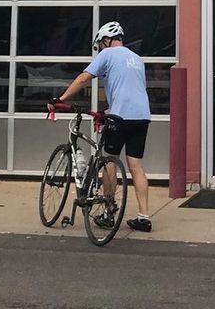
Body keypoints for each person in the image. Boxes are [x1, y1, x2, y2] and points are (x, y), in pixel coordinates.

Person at [54, 20, 153, 233]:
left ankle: (108, 213)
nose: (100, 48)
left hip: (121, 117)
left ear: (107, 40)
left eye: (100, 44)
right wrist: (107, 110)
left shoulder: (107, 54)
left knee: (109, 161)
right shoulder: (137, 59)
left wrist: (60, 99)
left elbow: (83, 78)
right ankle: (144, 217)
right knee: (136, 166)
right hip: (142, 116)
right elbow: (131, 90)